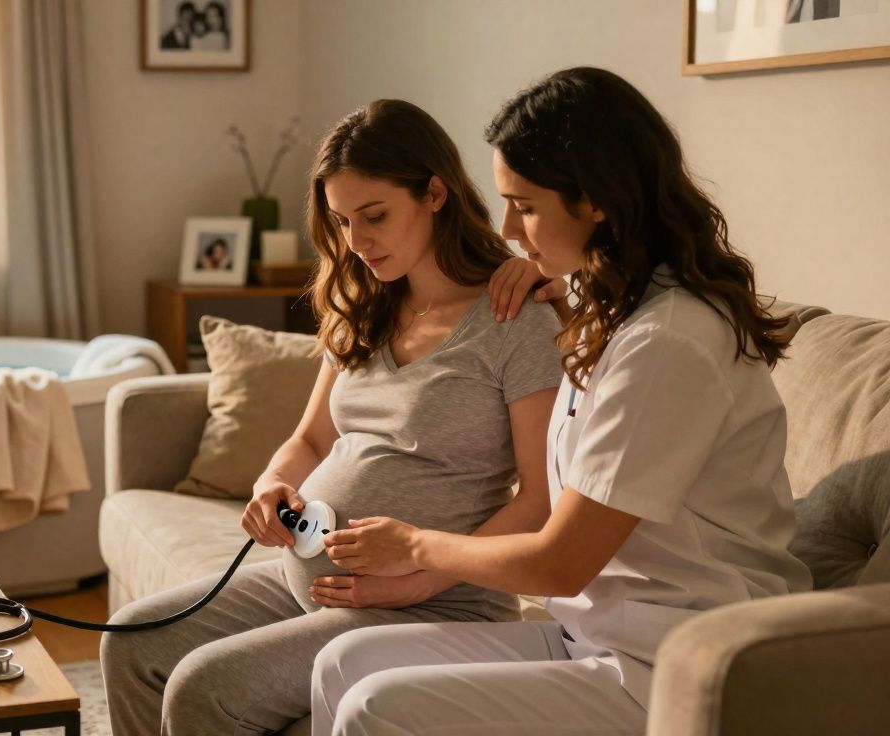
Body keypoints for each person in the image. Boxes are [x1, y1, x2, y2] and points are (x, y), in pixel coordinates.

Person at [310, 67, 813, 736]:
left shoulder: (671, 344)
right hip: (596, 633)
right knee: (342, 661)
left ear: (597, 200)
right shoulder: (612, 306)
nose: (511, 229)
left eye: (527, 205)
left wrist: (415, 547)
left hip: (676, 661)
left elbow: (558, 561)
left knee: (374, 707)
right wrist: (550, 271)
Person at [101, 99, 564, 734]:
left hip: (438, 604)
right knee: (131, 643)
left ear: (435, 193)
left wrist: (419, 579)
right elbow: (311, 439)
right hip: (318, 583)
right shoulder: (363, 305)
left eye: (375, 216)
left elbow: (539, 502)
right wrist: (271, 485)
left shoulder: (515, 318)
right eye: (343, 221)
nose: (358, 241)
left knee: (203, 688)